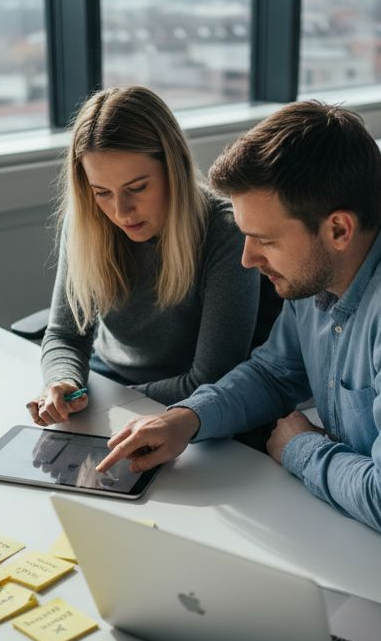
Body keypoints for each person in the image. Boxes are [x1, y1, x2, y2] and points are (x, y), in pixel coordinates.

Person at [97, 101, 381, 558]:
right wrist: (187, 419)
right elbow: (274, 374)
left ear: (338, 229)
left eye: (266, 240)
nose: (248, 259)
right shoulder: (324, 270)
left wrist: (299, 447)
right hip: (371, 537)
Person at [28, 86, 260, 426]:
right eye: (102, 192)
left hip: (183, 412)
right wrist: (63, 382)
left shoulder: (225, 232)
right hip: (104, 391)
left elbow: (210, 379)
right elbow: (65, 334)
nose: (121, 211)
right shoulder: (85, 223)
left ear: (173, 169)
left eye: (137, 188)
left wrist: (111, 403)